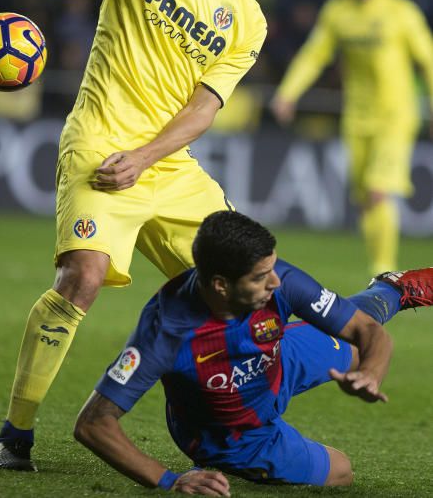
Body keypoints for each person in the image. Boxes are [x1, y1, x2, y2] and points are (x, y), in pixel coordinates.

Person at [0, 0, 274, 471]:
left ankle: (226, 428)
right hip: (97, 143)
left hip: (168, 165)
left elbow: (203, 110)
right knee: (83, 278)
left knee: (249, 287)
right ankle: (16, 432)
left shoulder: (248, 20)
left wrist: (145, 158)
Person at [73, 210, 433, 494]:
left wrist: (370, 375)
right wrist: (167, 479)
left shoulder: (279, 279)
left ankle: (394, 288)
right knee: (342, 471)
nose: (275, 283)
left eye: (272, 268)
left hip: (279, 361)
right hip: (231, 432)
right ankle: (216, 468)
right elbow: (92, 424)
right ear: (220, 285)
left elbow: (367, 331)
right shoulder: (165, 331)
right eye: (261, 277)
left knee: (359, 344)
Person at [270, 0, 433, 275]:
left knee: (377, 189)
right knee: (364, 197)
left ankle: (385, 269)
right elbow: (315, 55)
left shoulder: (401, 12)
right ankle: (380, 271)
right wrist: (287, 94)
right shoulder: (337, 12)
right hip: (357, 115)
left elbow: (428, 59)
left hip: (396, 114)